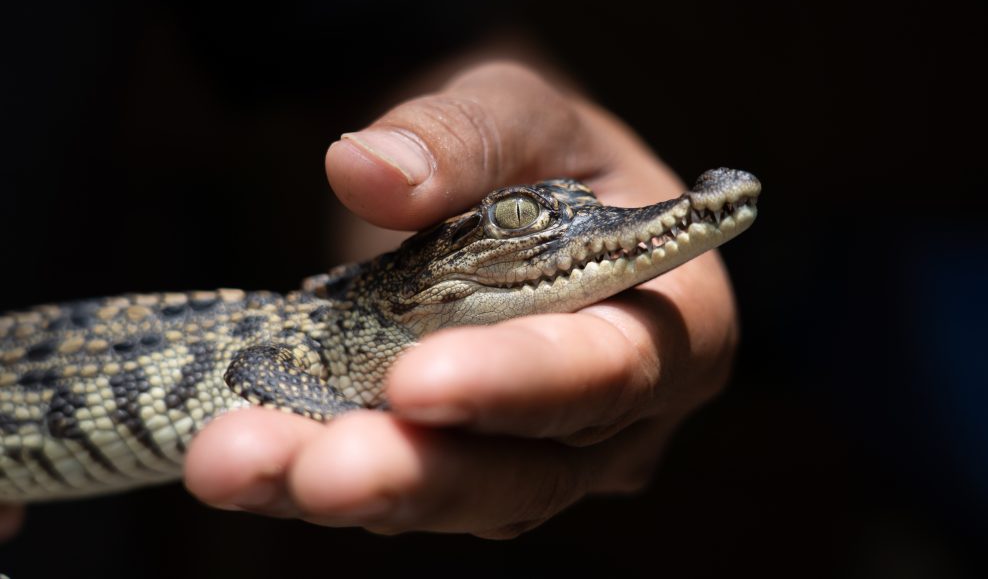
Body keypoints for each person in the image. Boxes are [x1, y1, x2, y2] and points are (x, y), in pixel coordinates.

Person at [0, 60, 741, 540]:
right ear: (423, 283)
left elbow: (411, 23)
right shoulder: (300, 342)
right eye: (522, 218)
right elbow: (254, 366)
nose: (584, 232)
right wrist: (353, 415)